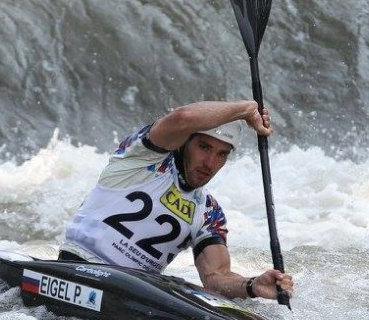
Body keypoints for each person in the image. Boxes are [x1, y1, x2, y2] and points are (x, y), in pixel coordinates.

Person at [59, 99, 293, 301]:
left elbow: (215, 277)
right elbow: (184, 118)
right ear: (185, 142)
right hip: (77, 267)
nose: (210, 163)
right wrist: (246, 109)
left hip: (131, 293)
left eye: (221, 154)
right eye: (204, 147)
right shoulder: (143, 157)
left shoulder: (208, 212)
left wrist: (252, 286)